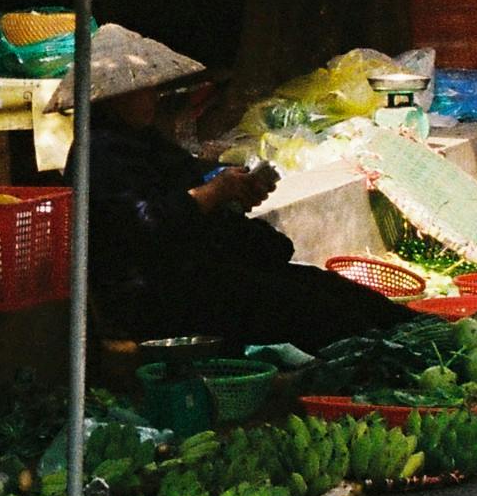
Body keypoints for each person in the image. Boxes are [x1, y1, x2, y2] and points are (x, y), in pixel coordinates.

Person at [84, 88, 409, 351]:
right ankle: (386, 358)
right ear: (113, 98)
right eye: (140, 92)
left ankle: (418, 333)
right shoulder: (100, 154)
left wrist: (235, 193)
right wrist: (214, 194)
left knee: (328, 288)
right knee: (309, 308)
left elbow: (191, 198)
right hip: (158, 294)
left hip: (201, 269)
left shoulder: (146, 141)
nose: (152, 98)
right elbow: (147, 227)